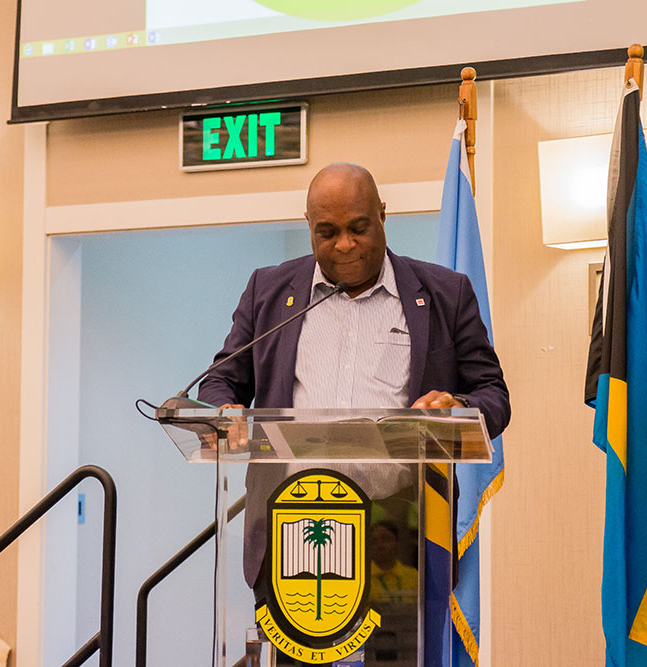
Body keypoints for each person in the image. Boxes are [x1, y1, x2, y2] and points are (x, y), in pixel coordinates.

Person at [197, 162, 510, 595]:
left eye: (359, 228)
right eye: (327, 232)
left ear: (382, 214)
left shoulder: (444, 292)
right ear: (308, 224)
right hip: (291, 523)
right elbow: (220, 381)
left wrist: (458, 407)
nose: (345, 245)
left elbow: (492, 394)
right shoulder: (268, 290)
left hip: (400, 532)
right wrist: (222, 410)